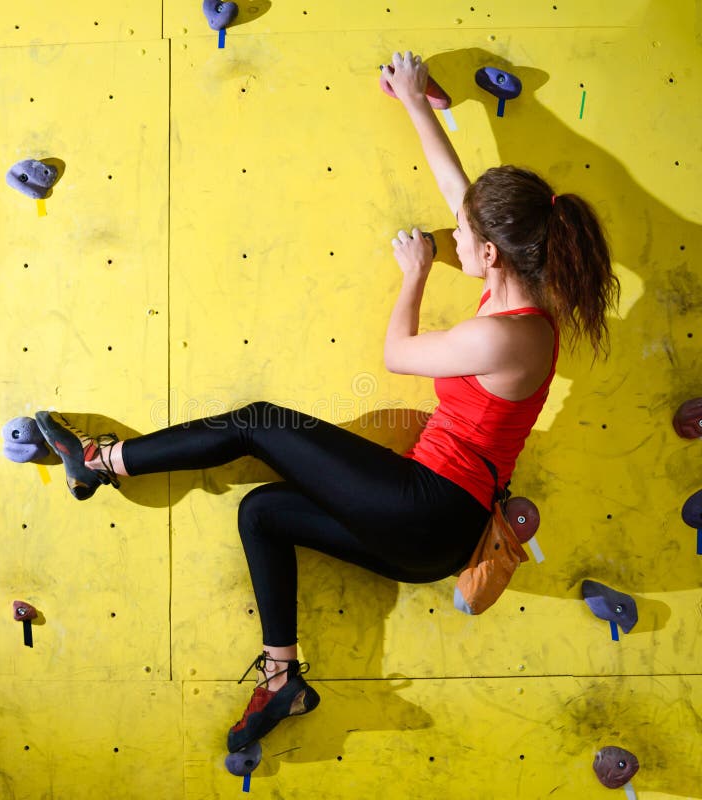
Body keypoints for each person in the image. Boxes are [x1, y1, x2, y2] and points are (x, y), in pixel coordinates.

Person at [32, 50, 619, 754]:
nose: (452, 233)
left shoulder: (500, 340)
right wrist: (411, 101)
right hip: (425, 538)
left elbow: (398, 353)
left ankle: (101, 463)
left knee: (257, 422)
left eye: (464, 237)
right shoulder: (523, 293)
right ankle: (284, 679)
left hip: (430, 506)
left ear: (491, 255)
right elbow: (464, 196)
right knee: (264, 512)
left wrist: (415, 274)